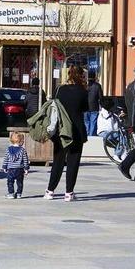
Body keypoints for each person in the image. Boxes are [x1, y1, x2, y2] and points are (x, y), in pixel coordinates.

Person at [44, 65, 88, 202]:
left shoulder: (59, 90)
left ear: (68, 74)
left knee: (58, 160)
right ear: (81, 76)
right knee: (73, 162)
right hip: (76, 130)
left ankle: (49, 191)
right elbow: (86, 108)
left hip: (61, 130)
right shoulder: (83, 91)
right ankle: (69, 193)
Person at [2, 132, 29, 199]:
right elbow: (25, 160)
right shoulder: (22, 150)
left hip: (11, 169)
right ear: (21, 141)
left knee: (10, 182)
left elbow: (6, 159)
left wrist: (4, 167)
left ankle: (11, 193)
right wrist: (26, 169)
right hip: (20, 169)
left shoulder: (8, 149)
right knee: (19, 182)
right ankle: (19, 193)